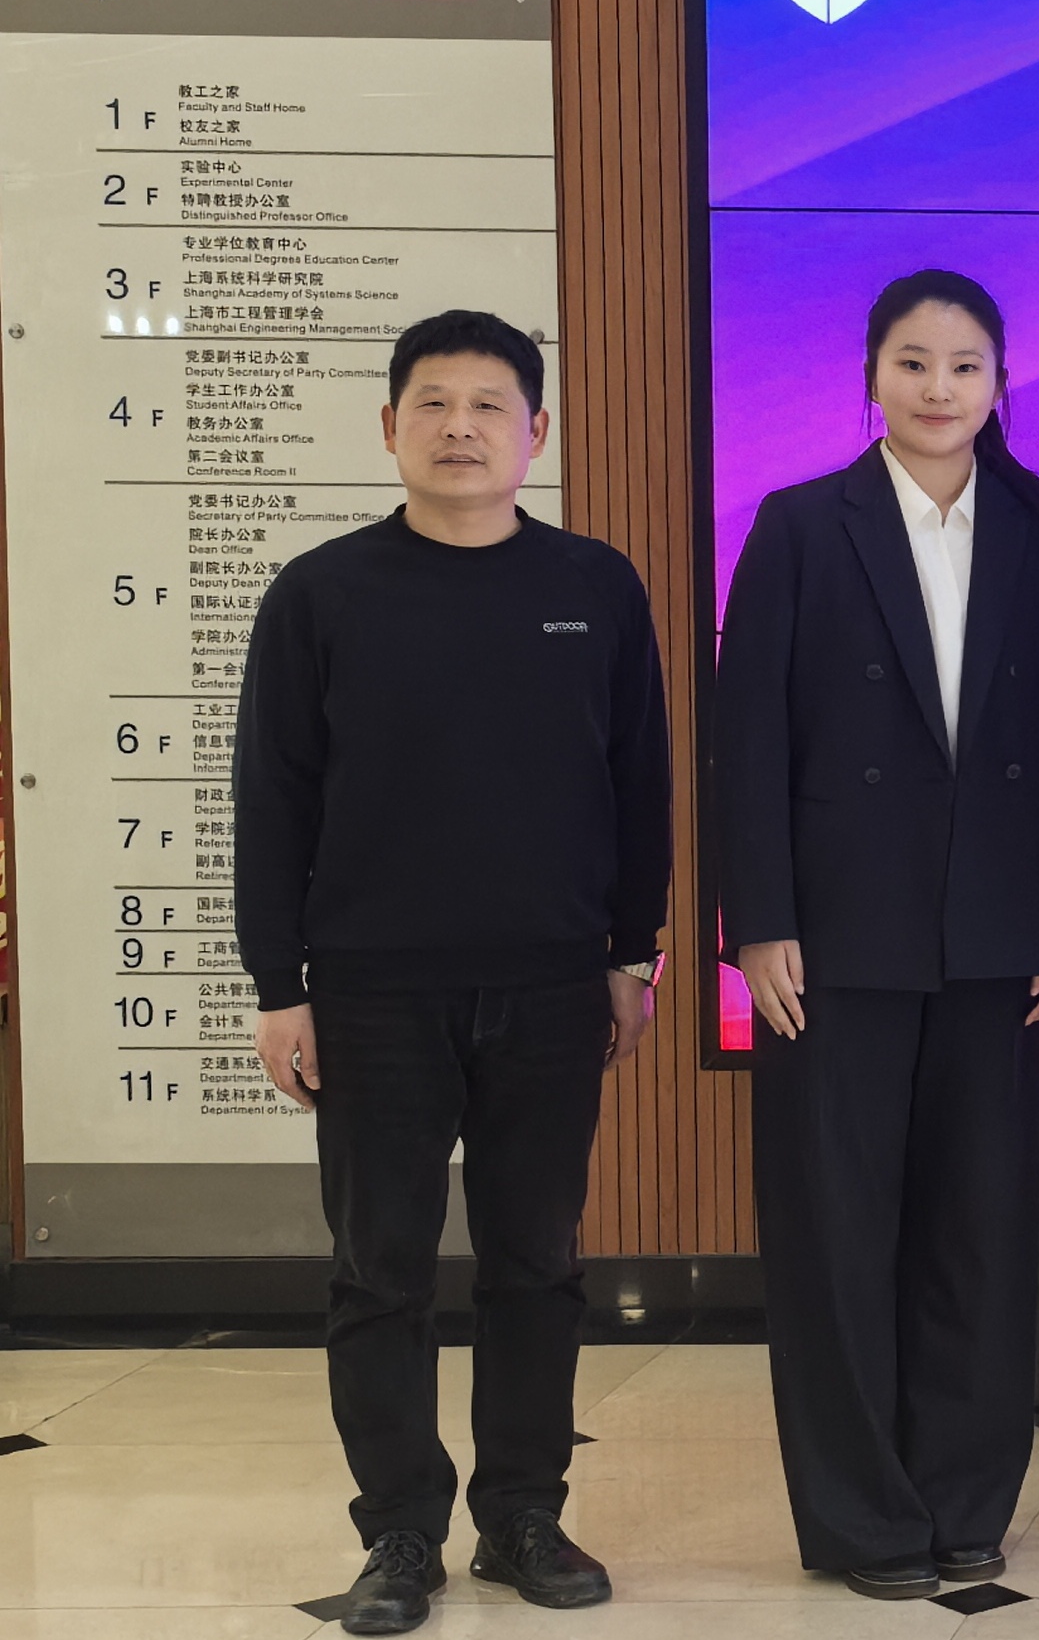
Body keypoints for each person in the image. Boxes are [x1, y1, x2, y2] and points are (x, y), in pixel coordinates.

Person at [233, 310, 668, 1636]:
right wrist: (278, 986)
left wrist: (632, 952)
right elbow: (272, 800)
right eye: (432, 402)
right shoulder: (322, 593)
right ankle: (399, 1532)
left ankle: (523, 1514)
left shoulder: (596, 586)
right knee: (380, 1269)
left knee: (537, 1261)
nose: (461, 427)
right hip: (371, 991)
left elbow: (639, 785)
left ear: (537, 431)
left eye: (490, 405)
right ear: (389, 428)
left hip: (551, 985)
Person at [714, 270, 1039, 1600]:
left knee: (978, 1233)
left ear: (1000, 382)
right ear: (872, 377)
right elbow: (747, 740)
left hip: (995, 933)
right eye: (913, 363)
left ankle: (964, 1502)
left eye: (965, 366)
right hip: (835, 937)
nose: (939, 389)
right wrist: (759, 921)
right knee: (835, 1237)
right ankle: (861, 1519)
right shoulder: (798, 526)